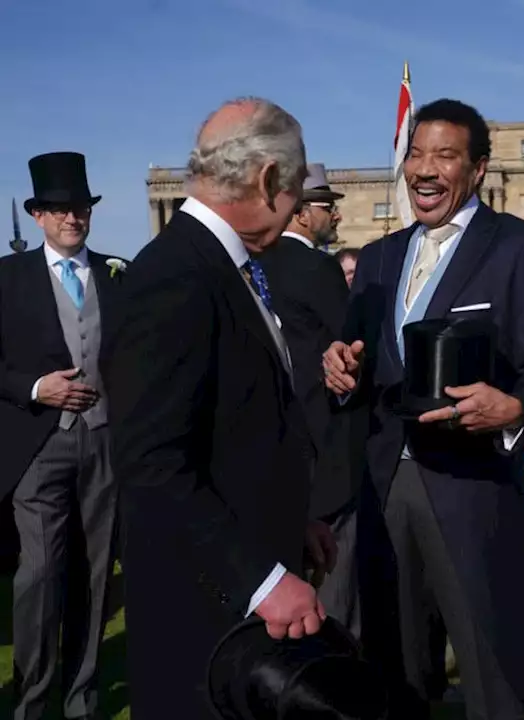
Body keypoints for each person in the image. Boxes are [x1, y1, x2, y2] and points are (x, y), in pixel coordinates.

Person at [322, 97, 524, 717]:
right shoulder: (377, 257)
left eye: (444, 156)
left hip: (472, 486)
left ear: (478, 169)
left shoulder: (520, 245)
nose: (425, 169)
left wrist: (513, 407)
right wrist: (340, 372)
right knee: (394, 668)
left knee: (495, 670)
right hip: (381, 486)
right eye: (416, 154)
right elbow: (356, 358)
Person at [104, 98, 332, 719]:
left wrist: (291, 522)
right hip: (203, 615)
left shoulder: (225, 269)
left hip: (240, 597)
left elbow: (236, 426)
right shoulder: (176, 276)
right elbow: (152, 465)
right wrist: (260, 578)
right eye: (297, 184)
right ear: (267, 180)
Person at [0, 152, 122, 720]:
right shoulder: (6, 277)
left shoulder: (116, 273)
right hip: (38, 447)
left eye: (80, 207)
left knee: (96, 576)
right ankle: (31, 700)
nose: (72, 217)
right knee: (40, 578)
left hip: (104, 445)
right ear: (38, 215)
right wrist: (33, 388)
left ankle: (82, 700)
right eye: (59, 209)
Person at [253, 163, 361, 636]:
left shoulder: (252, 265)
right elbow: (350, 344)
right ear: (299, 212)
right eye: (326, 206)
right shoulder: (317, 267)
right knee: (335, 583)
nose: (334, 214)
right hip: (325, 441)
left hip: (269, 446)